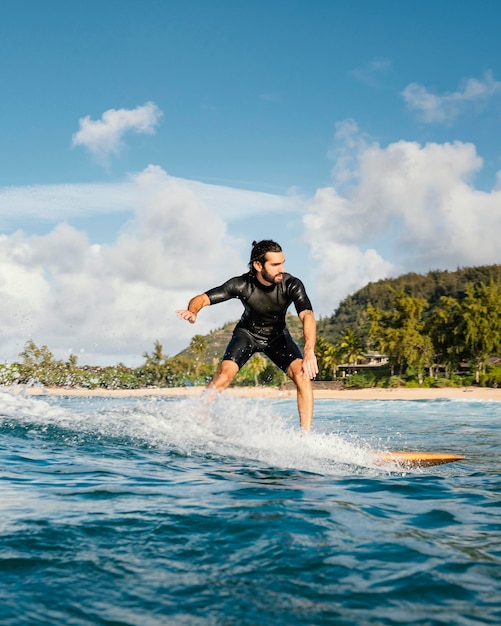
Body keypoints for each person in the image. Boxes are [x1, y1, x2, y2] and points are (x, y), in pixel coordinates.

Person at [176, 240, 318, 431]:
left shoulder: (291, 284)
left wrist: (309, 351)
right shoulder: (241, 284)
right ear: (258, 265)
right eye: (275, 265)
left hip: (277, 336)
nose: (281, 269)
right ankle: (197, 419)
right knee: (225, 374)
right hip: (247, 334)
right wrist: (193, 311)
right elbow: (201, 299)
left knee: (303, 375)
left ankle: (305, 437)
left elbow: (307, 315)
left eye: (282, 263)